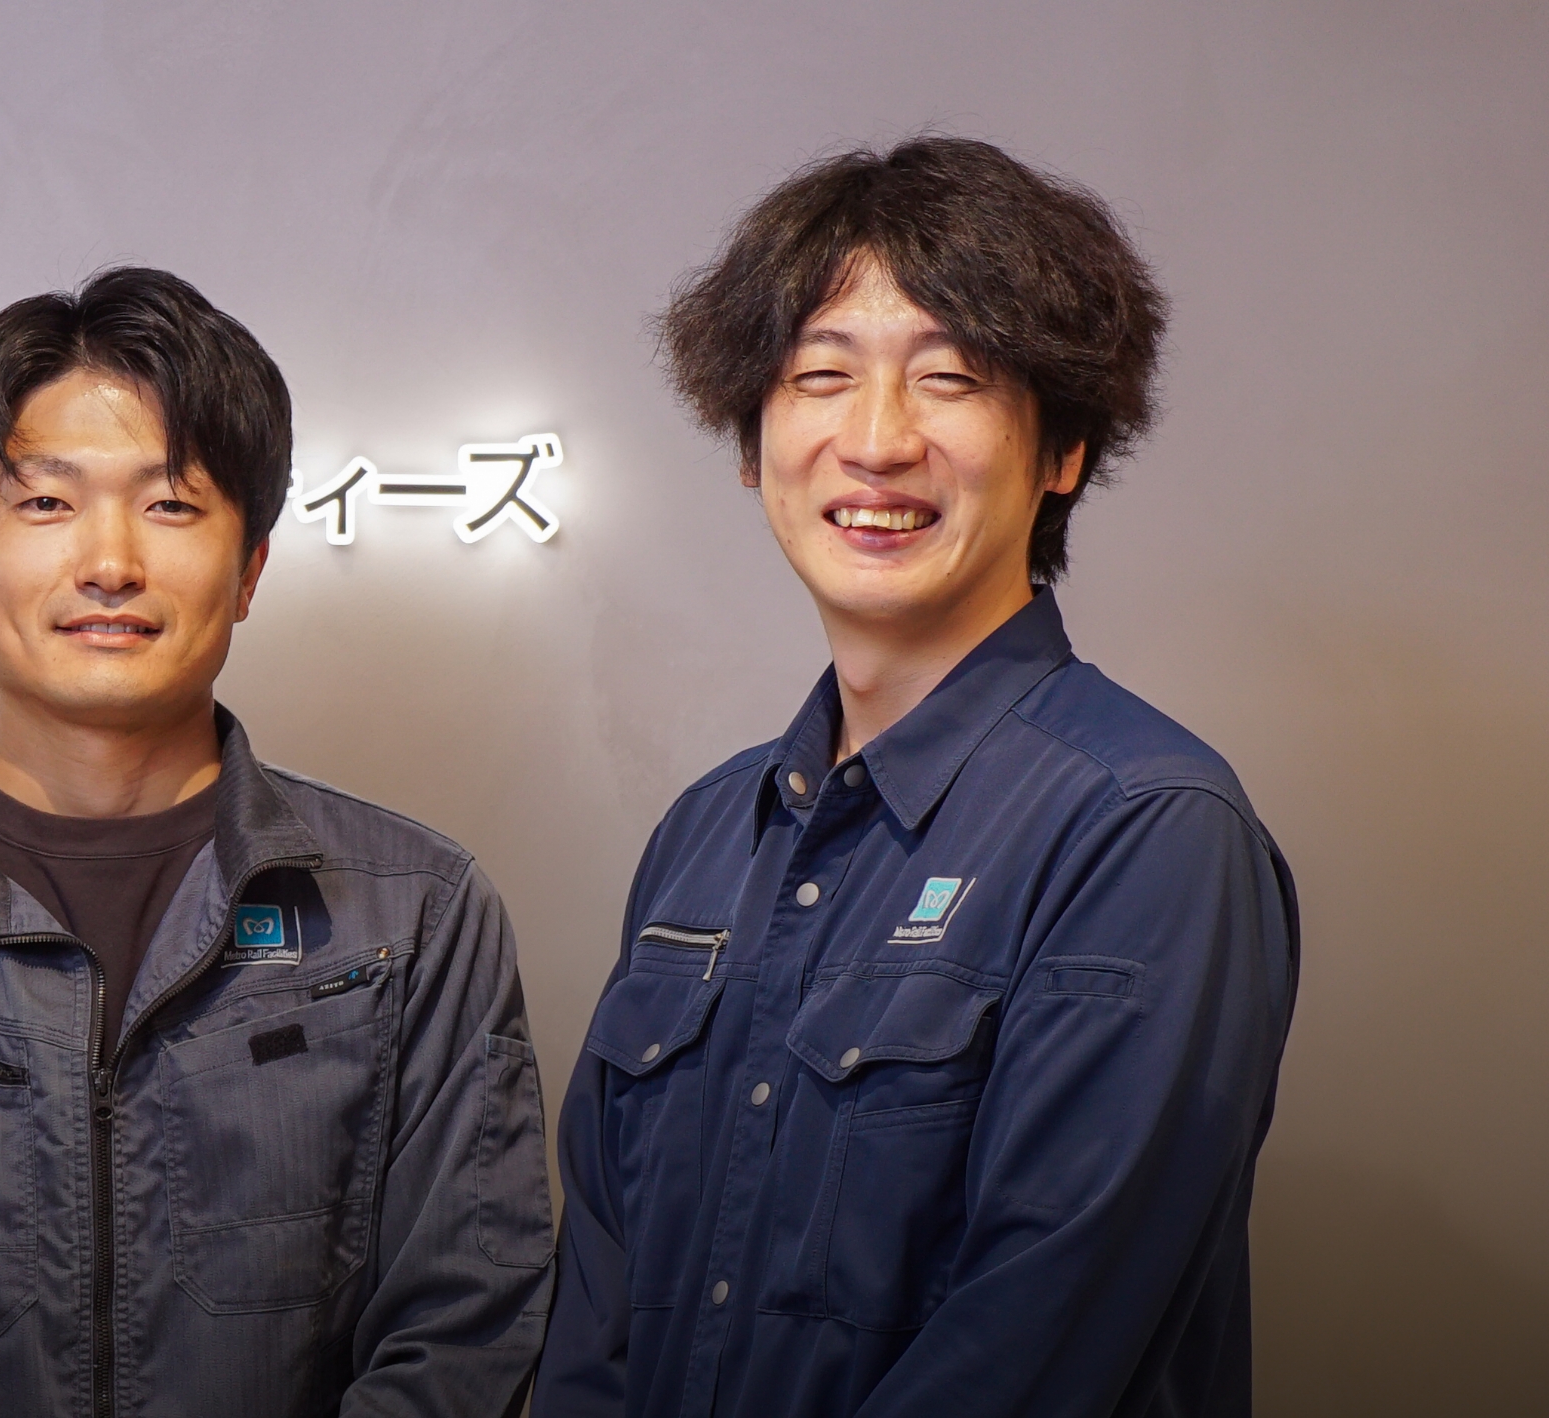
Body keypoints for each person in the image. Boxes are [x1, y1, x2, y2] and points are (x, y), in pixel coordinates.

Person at [0, 267, 555, 1416]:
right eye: (45, 502)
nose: (108, 561)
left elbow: (460, 1333)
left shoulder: (415, 914)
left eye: (170, 504)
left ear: (249, 569)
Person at [532, 137, 1300, 1417]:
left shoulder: (1145, 826)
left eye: (948, 377)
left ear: (1061, 448)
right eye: (818, 375)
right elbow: (596, 1311)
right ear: (749, 441)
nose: (876, 440)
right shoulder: (706, 831)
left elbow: (1034, 1344)